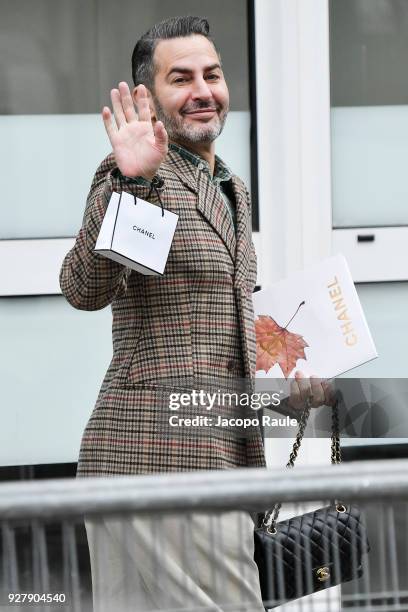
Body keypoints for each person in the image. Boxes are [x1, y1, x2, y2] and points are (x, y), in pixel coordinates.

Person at [59, 15, 333, 612]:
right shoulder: (137, 176)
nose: (203, 90)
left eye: (212, 74)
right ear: (149, 98)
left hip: (216, 451)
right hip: (158, 458)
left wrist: (287, 387)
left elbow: (216, 335)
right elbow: (86, 288)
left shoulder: (232, 187)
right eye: (180, 78)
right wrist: (135, 182)